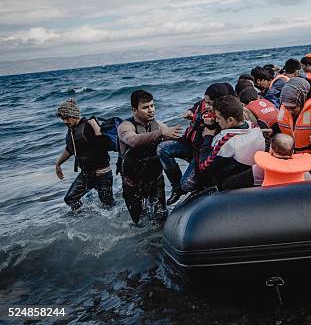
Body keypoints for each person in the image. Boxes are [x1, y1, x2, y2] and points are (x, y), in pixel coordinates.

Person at [161, 83, 234, 205]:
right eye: (206, 102)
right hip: (190, 143)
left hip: (203, 151)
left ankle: (196, 189)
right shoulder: (203, 103)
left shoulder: (224, 115)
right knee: (162, 149)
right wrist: (191, 112)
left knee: (187, 184)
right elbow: (196, 107)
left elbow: (213, 132)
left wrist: (201, 121)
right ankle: (176, 188)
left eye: (210, 103)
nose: (207, 105)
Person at [118, 90, 182, 224]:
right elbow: (133, 140)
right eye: (145, 107)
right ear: (134, 110)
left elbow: (176, 144)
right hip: (132, 184)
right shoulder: (125, 126)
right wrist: (160, 134)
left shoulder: (159, 125)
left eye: (152, 106)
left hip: (155, 181)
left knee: (161, 218)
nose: (151, 110)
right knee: (140, 223)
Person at [185, 95, 265, 191]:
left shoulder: (227, 141)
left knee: (186, 184)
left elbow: (204, 167)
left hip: (229, 181)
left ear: (230, 120)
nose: (217, 121)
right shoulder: (255, 127)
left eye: (218, 118)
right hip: (247, 168)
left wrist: (208, 136)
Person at [55, 98, 114, 210]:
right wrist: (58, 164)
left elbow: (102, 145)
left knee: (108, 206)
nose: (64, 122)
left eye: (67, 118)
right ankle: (87, 217)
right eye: (62, 119)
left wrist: (97, 129)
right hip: (86, 174)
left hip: (101, 173)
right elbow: (69, 149)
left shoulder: (88, 126)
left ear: (75, 115)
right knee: (70, 199)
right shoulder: (71, 130)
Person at [277, 77, 311, 164]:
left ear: (302, 99)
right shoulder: (286, 103)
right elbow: (287, 125)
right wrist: (273, 129)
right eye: (287, 108)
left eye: (293, 108)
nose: (290, 111)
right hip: (295, 156)